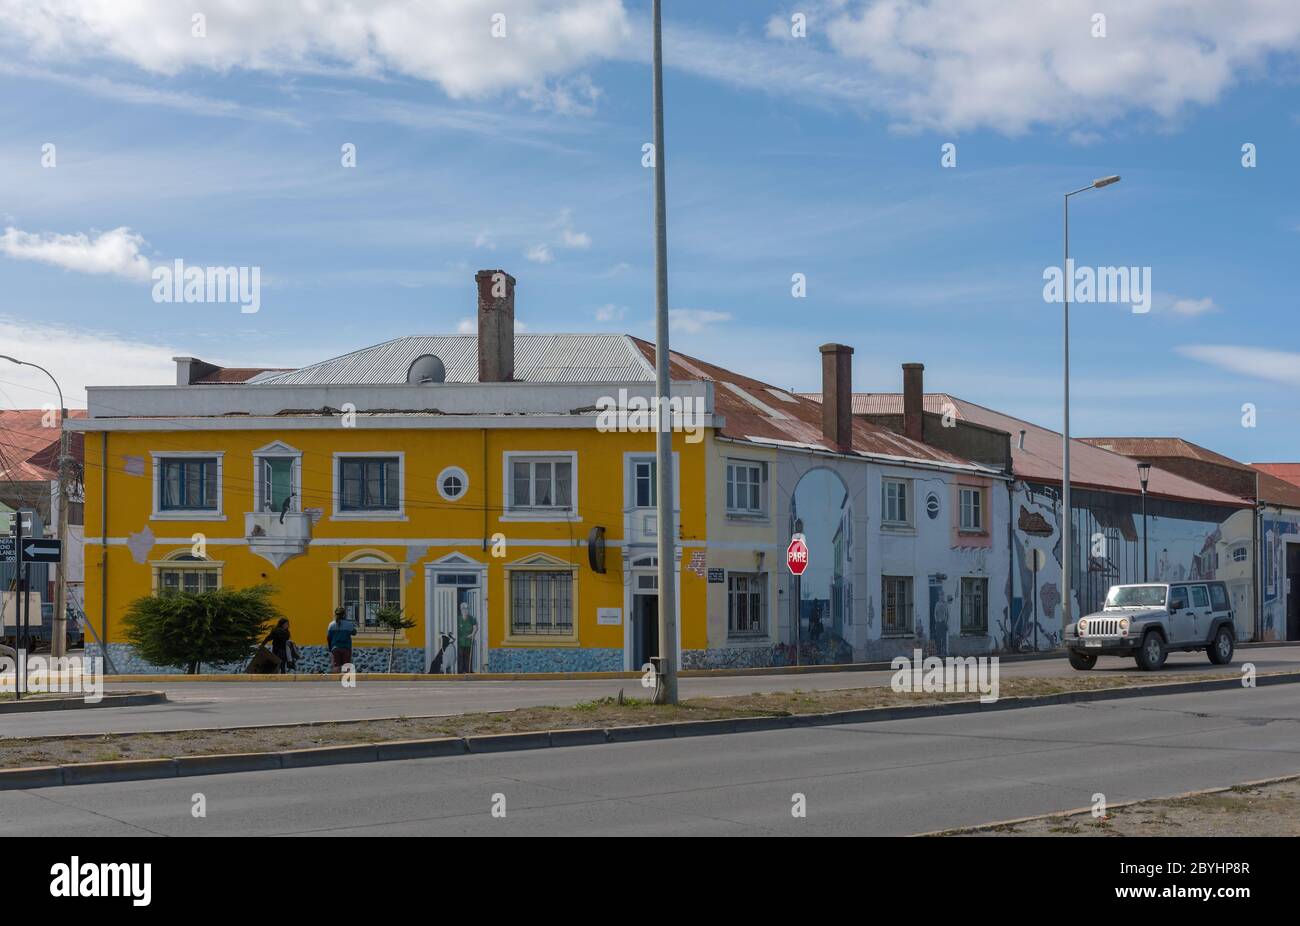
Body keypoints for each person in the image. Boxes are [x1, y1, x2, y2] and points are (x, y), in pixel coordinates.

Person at [327, 607, 357, 672]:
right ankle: (346, 681)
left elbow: (329, 638)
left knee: (336, 666)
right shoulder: (349, 624)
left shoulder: (331, 625)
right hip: (346, 648)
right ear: (344, 615)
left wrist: (330, 649)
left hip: (335, 648)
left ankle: (335, 682)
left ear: (335, 615)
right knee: (346, 667)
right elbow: (354, 633)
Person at [456, 601, 477, 674]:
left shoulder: (472, 618)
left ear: (468, 610)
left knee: (468, 657)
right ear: (461, 610)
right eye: (463, 609)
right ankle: (461, 671)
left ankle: (468, 670)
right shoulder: (458, 619)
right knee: (461, 657)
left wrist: (472, 634)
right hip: (460, 642)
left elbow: (475, 628)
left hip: (468, 641)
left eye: (466, 609)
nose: (465, 610)